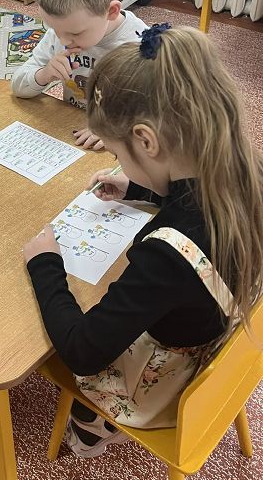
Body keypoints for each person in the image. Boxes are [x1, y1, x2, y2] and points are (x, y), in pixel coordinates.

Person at [22, 25, 263, 457]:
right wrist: (139, 188)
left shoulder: (165, 255)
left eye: (118, 154)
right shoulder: (244, 167)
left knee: (37, 341)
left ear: (146, 140)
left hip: (162, 379)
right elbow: (196, 205)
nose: (119, 161)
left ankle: (93, 426)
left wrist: (45, 264)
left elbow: (82, 352)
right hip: (223, 331)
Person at [11, 0, 148, 150]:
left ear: (111, 11)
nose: (64, 40)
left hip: (117, 149)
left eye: (75, 33)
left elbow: (158, 115)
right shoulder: (61, 33)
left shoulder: (139, 45)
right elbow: (17, 87)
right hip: (73, 135)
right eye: (54, 28)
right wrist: (44, 74)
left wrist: (113, 129)